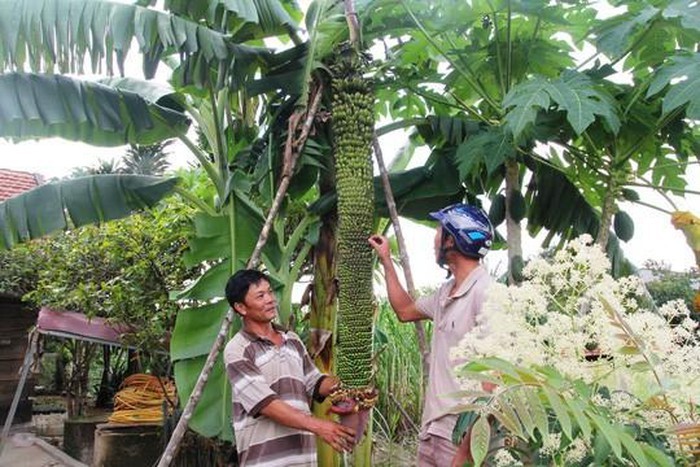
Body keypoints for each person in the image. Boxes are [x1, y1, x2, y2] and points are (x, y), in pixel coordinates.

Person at [368, 203, 494, 467]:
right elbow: (404, 310)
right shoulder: (445, 293)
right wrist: (387, 261)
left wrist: (465, 452)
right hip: (433, 430)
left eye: (439, 231)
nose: (434, 240)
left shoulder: (487, 293)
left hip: (460, 436)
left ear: (452, 239)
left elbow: (493, 382)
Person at [223, 269, 355, 467]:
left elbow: (315, 383)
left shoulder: (291, 340)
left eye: (270, 292)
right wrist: (319, 426)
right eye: (260, 295)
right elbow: (266, 405)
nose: (270, 299)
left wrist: (349, 384)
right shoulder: (238, 349)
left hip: (303, 458)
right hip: (266, 461)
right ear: (241, 307)